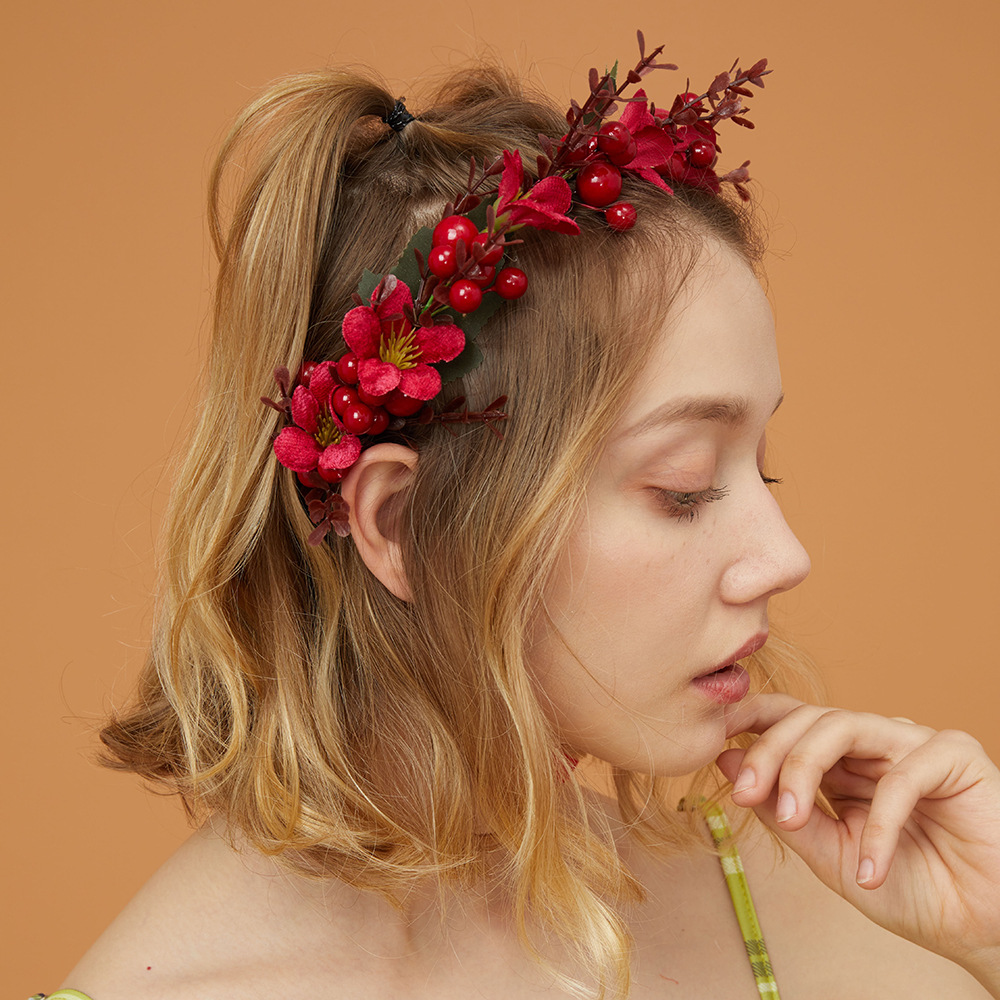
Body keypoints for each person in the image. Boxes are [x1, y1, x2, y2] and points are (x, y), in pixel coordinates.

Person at [36, 34, 1000, 1000]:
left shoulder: (839, 906)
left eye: (763, 468)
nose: (784, 556)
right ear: (401, 524)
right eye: (685, 485)